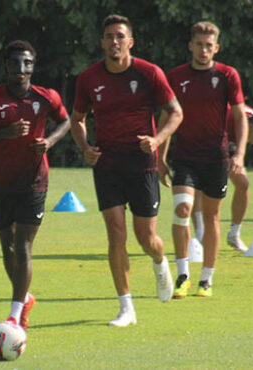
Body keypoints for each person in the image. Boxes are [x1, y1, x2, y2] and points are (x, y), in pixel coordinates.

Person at [70, 14, 183, 326]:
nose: (114, 41)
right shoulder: (89, 78)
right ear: (102, 42)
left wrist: (157, 140)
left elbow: (175, 112)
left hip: (141, 164)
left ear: (130, 42)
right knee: (115, 233)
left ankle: (160, 262)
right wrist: (85, 148)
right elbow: (76, 118)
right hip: (107, 164)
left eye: (120, 36)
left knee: (146, 238)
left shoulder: (149, 73)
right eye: (109, 36)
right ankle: (126, 307)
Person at [0, 40, 71, 329]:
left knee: (23, 246)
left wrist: (49, 141)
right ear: (6, 66)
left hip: (34, 182)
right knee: (7, 248)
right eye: (15, 63)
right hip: (1, 183)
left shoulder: (46, 97)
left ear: (33, 67)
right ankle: (24, 298)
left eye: (27, 64)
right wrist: (4, 133)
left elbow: (67, 122)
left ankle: (15, 316)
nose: (21, 69)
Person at [159, 21, 248, 299]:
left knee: (211, 217)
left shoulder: (227, 75)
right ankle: (183, 275)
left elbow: (239, 115)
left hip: (216, 158)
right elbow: (166, 118)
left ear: (216, 48)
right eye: (199, 44)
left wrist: (240, 153)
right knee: (182, 209)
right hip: (185, 157)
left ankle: (206, 280)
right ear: (190, 45)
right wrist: (160, 156)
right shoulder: (174, 76)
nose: (203, 50)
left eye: (209, 45)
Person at [191, 106, 253, 251]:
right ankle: (200, 237)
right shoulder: (228, 119)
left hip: (226, 143)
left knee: (243, 183)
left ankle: (234, 235)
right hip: (203, 133)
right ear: (251, 126)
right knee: (199, 184)